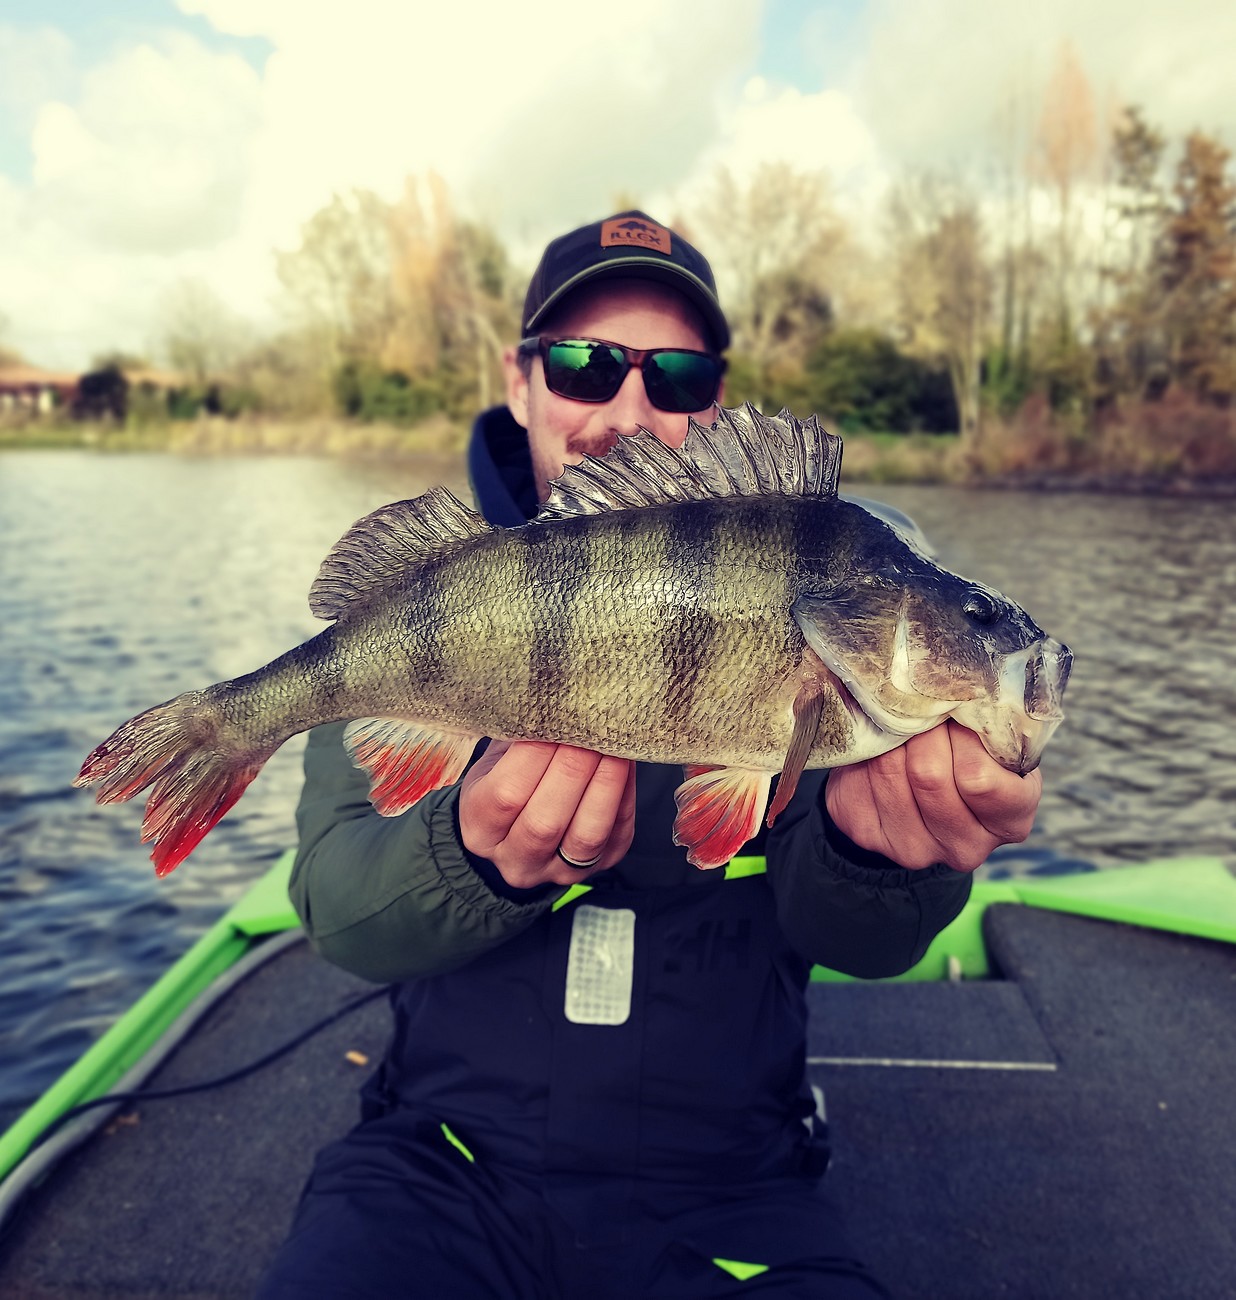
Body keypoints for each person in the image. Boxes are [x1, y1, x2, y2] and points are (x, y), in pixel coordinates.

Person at [257, 212, 1042, 1299]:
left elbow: (858, 939)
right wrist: (471, 854)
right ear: (521, 380)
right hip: (441, 1164)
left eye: (675, 377)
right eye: (584, 364)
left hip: (733, 1186)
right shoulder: (435, 603)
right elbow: (338, 909)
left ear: (716, 396)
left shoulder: (843, 618)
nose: (627, 410)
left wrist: (886, 860)